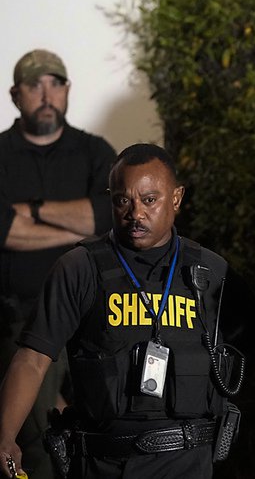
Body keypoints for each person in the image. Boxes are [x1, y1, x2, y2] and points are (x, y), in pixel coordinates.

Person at [0, 143, 243, 478]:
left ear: (176, 198)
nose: (135, 213)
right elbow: (32, 358)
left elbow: (254, 352)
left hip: (189, 462)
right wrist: (5, 436)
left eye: (149, 200)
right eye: (122, 200)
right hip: (105, 464)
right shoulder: (79, 268)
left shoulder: (209, 271)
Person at [0, 49, 116, 478]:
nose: (46, 94)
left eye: (55, 83)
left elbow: (111, 216)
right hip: (19, 321)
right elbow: (2, 231)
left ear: (67, 91)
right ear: (15, 95)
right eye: (34, 85)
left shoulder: (95, 152)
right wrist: (80, 228)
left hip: (94, 320)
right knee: (39, 438)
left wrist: (29, 209)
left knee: (101, 426)